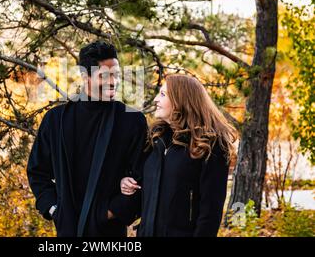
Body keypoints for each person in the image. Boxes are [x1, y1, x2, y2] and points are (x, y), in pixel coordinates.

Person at [27, 40, 148, 237]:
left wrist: (105, 214)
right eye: (105, 76)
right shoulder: (55, 120)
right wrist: (54, 210)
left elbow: (142, 179)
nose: (113, 82)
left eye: (116, 75)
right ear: (85, 76)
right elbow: (37, 172)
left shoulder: (132, 121)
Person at [121, 74, 237, 237]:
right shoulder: (155, 139)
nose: (155, 99)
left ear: (180, 99)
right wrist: (126, 183)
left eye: (162, 94)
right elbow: (146, 187)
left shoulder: (209, 145)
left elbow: (210, 213)